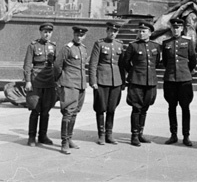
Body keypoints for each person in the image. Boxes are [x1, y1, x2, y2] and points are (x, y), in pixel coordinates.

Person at [123, 21, 161, 147]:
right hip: (137, 81)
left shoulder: (155, 46)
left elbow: (157, 63)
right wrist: (134, 73)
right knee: (136, 108)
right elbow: (126, 62)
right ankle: (134, 135)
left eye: (144, 31)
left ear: (150, 33)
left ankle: (140, 133)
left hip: (150, 81)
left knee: (145, 107)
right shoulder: (133, 46)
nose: (141, 33)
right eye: (139, 31)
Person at [54, 25, 88, 155]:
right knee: (68, 112)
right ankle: (64, 142)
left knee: (74, 113)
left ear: (84, 36)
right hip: (68, 84)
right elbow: (57, 66)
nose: (79, 37)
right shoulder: (67, 48)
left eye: (82, 35)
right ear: (73, 35)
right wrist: (59, 80)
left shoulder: (83, 49)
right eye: (77, 35)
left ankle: (69, 138)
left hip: (80, 85)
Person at [89, 21, 125, 145]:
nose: (113, 33)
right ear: (107, 31)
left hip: (116, 81)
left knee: (111, 108)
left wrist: (123, 82)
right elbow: (93, 64)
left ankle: (109, 134)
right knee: (100, 108)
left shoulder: (119, 45)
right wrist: (93, 81)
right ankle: (101, 135)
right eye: (110, 31)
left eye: (115, 31)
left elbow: (122, 65)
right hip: (101, 80)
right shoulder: (99, 44)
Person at [162, 18, 197, 147]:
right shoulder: (166, 43)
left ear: (182, 29)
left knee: (185, 108)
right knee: (171, 107)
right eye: (173, 27)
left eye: (178, 27)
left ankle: (186, 136)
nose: (175, 29)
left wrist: (187, 71)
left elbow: (193, 59)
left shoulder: (187, 42)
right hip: (170, 79)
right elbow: (165, 62)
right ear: (171, 29)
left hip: (184, 79)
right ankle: (173, 134)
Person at [23, 22, 57, 146]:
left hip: (49, 81)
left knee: (46, 110)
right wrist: (28, 81)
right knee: (35, 109)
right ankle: (31, 137)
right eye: (44, 32)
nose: (47, 34)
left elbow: (56, 65)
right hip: (36, 80)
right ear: (40, 32)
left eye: (49, 32)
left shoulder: (53, 46)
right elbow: (27, 64)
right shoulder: (33, 46)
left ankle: (43, 136)